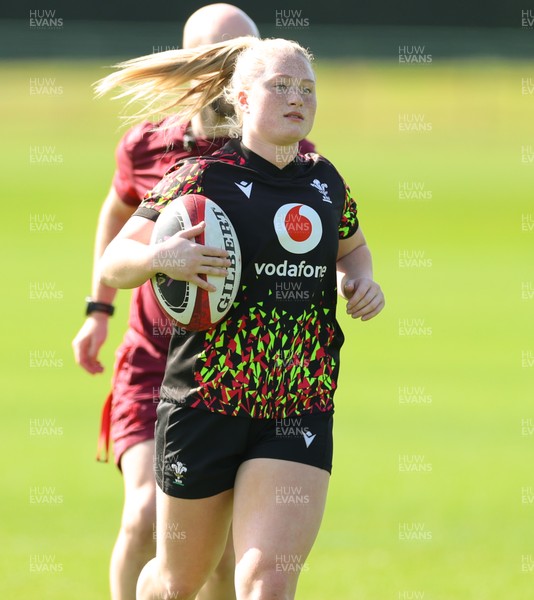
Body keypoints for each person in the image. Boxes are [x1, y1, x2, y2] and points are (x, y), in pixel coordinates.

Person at [97, 35, 385, 600]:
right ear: (242, 99)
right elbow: (115, 263)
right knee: (180, 580)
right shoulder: (198, 178)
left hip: (298, 400)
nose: (297, 98)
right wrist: (163, 256)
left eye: (307, 88)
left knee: (268, 582)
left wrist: (361, 280)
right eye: (281, 86)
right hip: (205, 403)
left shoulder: (325, 180)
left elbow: (352, 248)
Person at [70, 6, 305, 600]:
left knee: (224, 558)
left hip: (232, 368)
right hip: (154, 358)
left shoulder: (284, 148)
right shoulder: (149, 145)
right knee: (146, 514)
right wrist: (98, 311)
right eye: (223, 59)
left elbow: (312, 235)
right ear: (193, 67)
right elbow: (117, 213)